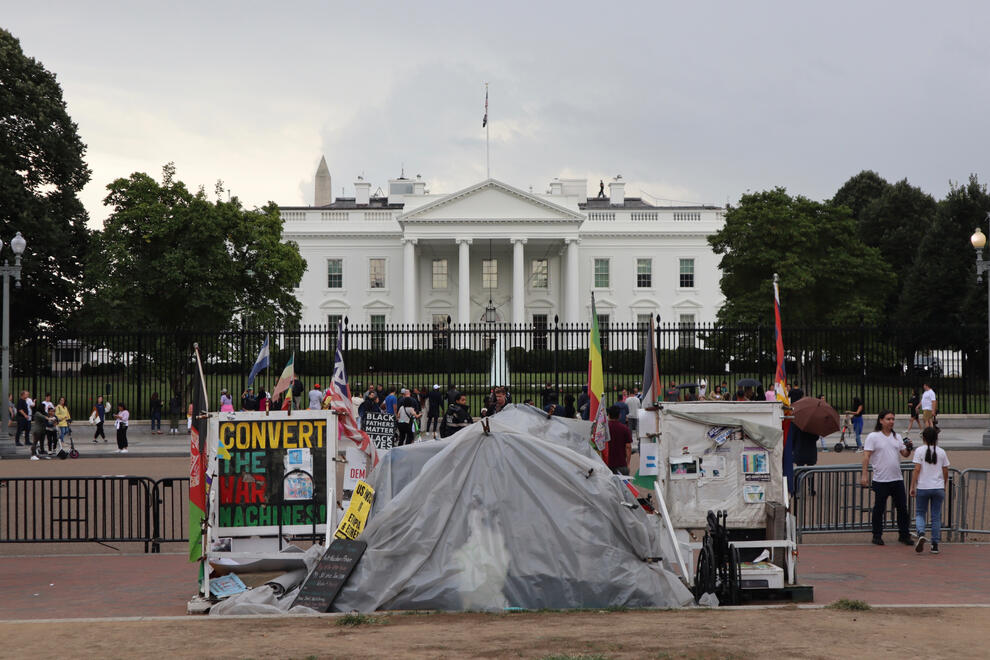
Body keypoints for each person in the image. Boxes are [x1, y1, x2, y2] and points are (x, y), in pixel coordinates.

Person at [860, 410, 913, 546]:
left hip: (896, 478)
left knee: (902, 508)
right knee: (879, 508)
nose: (891, 422)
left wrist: (909, 448)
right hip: (881, 479)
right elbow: (866, 456)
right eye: (888, 419)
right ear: (881, 420)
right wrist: (864, 474)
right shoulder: (873, 436)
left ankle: (904, 534)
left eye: (893, 419)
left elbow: (905, 454)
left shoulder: (897, 436)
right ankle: (877, 534)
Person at [910, 426, 950, 554]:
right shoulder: (942, 452)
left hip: (923, 486)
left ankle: (921, 532)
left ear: (924, 438)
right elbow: (945, 470)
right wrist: (944, 484)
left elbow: (917, 469)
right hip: (938, 487)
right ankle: (935, 544)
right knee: (936, 516)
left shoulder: (919, 451)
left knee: (920, 513)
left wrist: (912, 485)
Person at [605, 405, 633, 475]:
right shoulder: (624, 429)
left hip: (606, 463)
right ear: (619, 415)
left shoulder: (604, 429)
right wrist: (628, 463)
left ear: (608, 415)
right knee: (623, 485)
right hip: (621, 464)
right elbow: (628, 447)